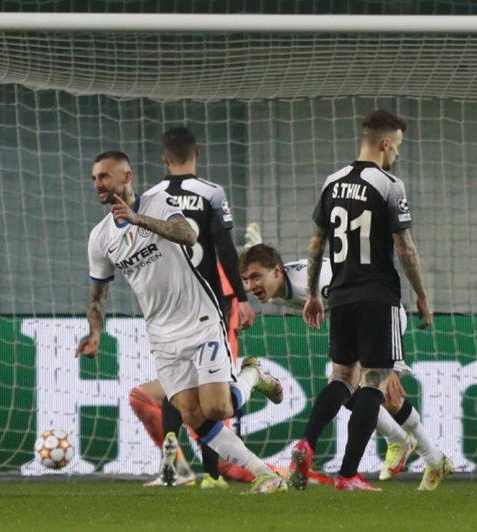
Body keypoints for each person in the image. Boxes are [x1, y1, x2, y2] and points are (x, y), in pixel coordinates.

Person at [77, 150, 286, 494]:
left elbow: (188, 235)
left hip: (199, 318)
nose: (98, 184)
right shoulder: (100, 238)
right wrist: (95, 332)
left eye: (104, 176)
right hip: (161, 333)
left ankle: (253, 375)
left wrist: (138, 219)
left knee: (217, 408)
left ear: (126, 177)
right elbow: (97, 295)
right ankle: (265, 473)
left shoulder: (159, 202)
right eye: (94, 178)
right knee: (192, 415)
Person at [294, 110, 450, 492]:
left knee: (341, 377)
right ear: (384, 142)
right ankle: (347, 474)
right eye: (397, 146)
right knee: (374, 382)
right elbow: (405, 247)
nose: (397, 153)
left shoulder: (331, 182)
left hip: (340, 296)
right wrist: (422, 295)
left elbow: (316, 245)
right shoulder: (389, 185)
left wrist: (312, 293)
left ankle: (306, 442)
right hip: (378, 295)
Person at [240, 242, 450, 488]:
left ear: (277, 271)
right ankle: (419, 451)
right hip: (353, 318)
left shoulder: (310, 283)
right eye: (246, 280)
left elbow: (369, 295)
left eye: (256, 277)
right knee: (347, 390)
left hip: (383, 313)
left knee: (385, 395)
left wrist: (388, 359)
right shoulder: (281, 286)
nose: (250, 286)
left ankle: (424, 454)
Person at [129, 127, 257, 488]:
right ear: (197, 154)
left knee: (178, 383)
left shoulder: (151, 198)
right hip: (209, 306)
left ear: (164, 159)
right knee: (208, 386)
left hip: (169, 307)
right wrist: (242, 298)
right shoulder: (211, 193)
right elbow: (225, 249)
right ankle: (211, 474)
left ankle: (174, 463)